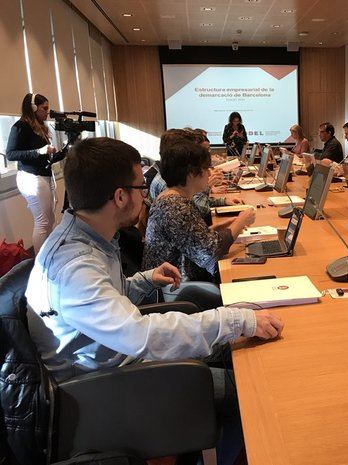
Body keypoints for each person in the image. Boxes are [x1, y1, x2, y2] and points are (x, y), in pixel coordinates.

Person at [25, 137, 283, 465]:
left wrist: (143, 280)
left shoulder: (86, 239)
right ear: (120, 197)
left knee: (232, 354)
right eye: (140, 187)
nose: (146, 194)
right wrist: (234, 320)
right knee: (245, 392)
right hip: (96, 394)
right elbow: (140, 335)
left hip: (114, 364)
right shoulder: (75, 267)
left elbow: (106, 300)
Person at [143, 139, 256, 282]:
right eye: (206, 169)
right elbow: (211, 252)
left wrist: (221, 227)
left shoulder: (173, 197)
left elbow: (193, 238)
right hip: (177, 287)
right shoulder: (175, 206)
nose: (209, 173)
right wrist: (241, 222)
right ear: (191, 174)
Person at [5, 93, 58, 253]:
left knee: (49, 220)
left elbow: (43, 155)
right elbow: (11, 154)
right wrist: (39, 151)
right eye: (44, 108)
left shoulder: (39, 127)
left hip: (43, 175)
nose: (47, 112)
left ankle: (48, 256)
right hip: (31, 177)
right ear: (34, 108)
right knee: (42, 222)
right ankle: (41, 262)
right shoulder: (20, 126)